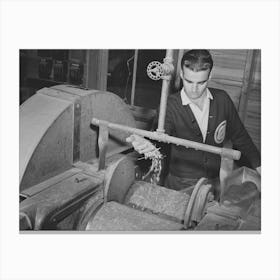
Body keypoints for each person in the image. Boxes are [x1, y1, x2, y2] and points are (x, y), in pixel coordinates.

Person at [127, 49, 261, 191]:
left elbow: (241, 138)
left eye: (201, 82)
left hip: (213, 183)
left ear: (210, 76)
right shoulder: (170, 105)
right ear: (181, 74)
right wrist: (148, 144)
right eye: (189, 81)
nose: (194, 89)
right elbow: (159, 139)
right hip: (180, 185)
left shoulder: (222, 100)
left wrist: (261, 167)